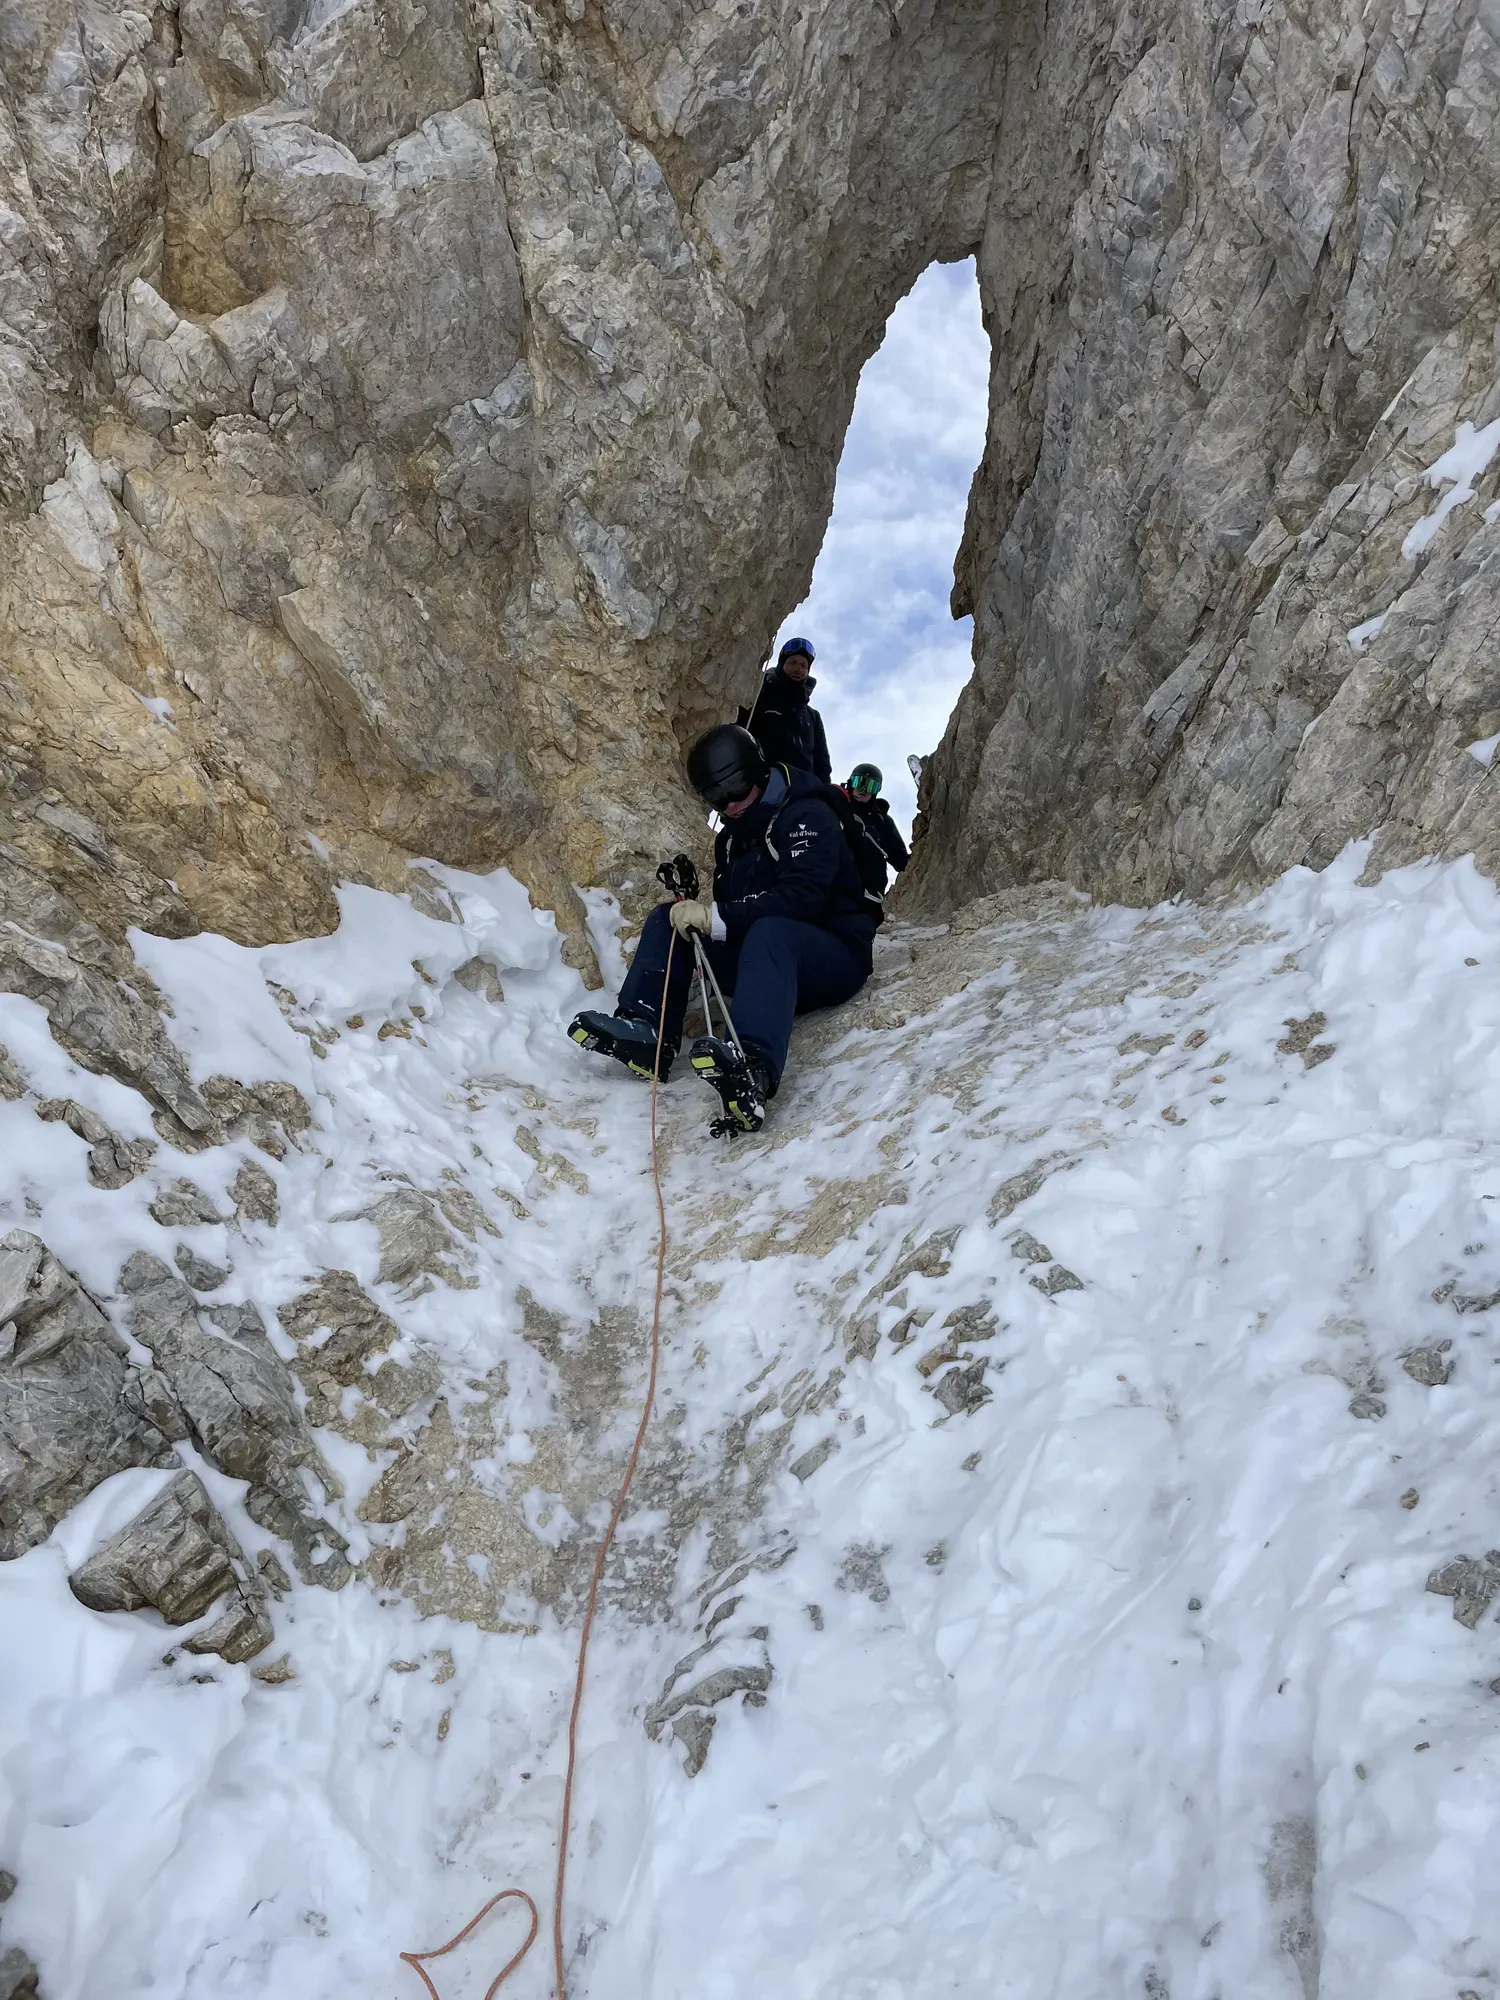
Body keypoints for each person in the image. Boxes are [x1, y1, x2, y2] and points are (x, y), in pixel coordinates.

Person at [567, 725, 875, 1131]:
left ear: (757, 772)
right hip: (766, 968)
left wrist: (716, 918)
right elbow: (732, 911)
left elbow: (804, 898)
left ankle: (753, 1069)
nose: (728, 806)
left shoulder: (806, 814)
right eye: (717, 797)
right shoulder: (729, 842)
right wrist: (697, 914)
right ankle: (648, 1033)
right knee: (668, 920)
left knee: (770, 930)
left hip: (834, 955)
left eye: (736, 789)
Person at [743, 636, 831, 782]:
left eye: (804, 666)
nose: (798, 669)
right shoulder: (760, 695)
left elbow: (822, 763)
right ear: (782, 664)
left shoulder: (812, 717)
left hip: (802, 793)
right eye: (793, 662)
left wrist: (825, 795)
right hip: (764, 786)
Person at [844, 763, 909, 887]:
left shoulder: (882, 822)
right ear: (851, 783)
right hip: (835, 889)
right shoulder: (836, 808)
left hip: (869, 894)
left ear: (877, 791)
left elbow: (901, 860)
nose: (863, 790)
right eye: (860, 782)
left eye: (870, 786)